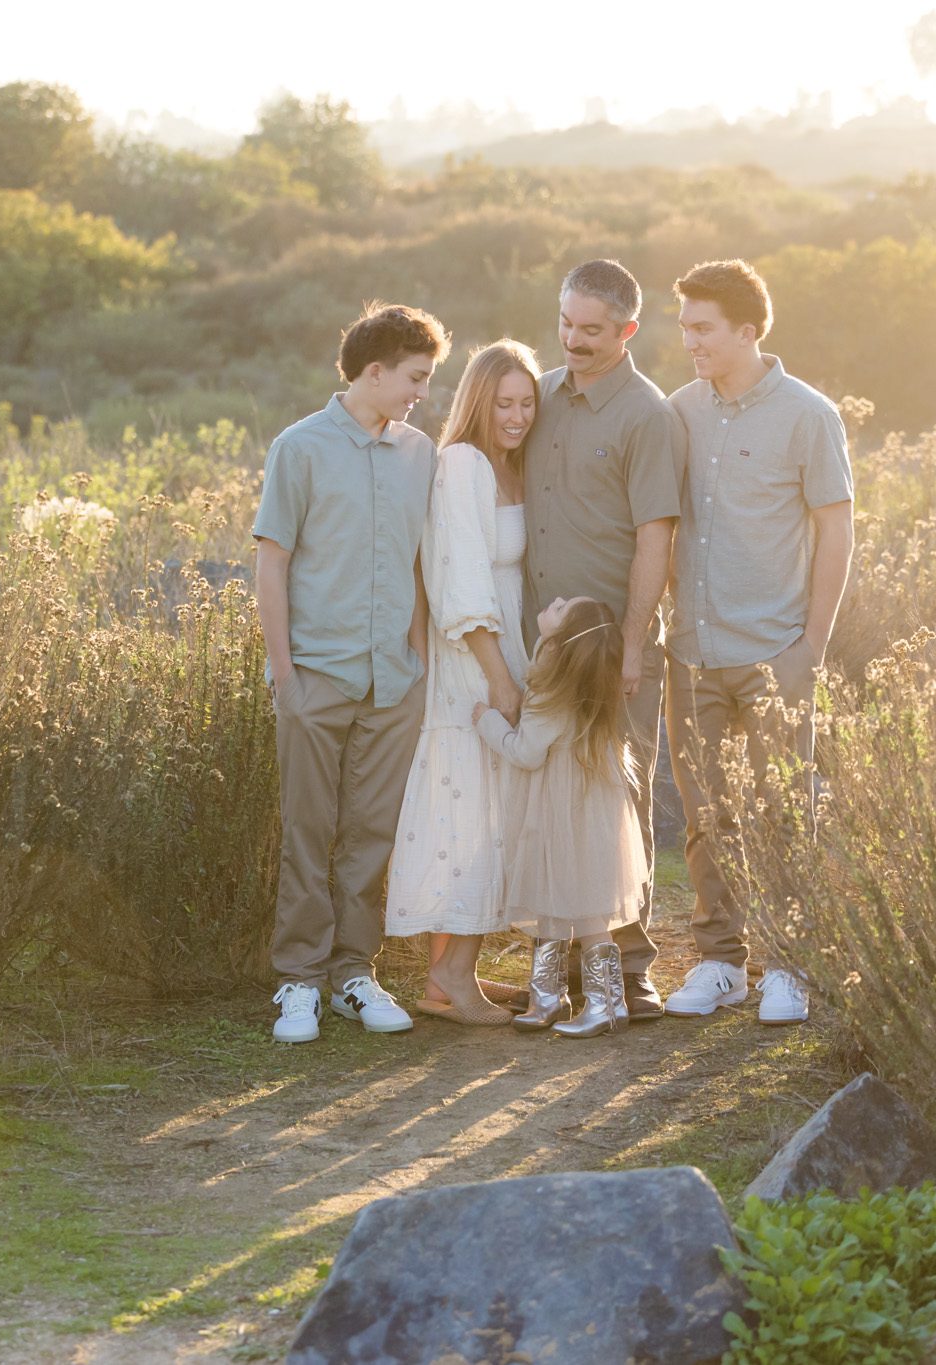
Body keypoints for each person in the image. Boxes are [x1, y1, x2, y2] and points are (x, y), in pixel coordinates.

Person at [659, 259, 854, 1026]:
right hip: (693, 651)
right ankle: (719, 963)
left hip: (776, 652)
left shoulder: (809, 415)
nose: (689, 341)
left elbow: (836, 528)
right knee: (707, 817)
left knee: (782, 813)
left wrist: (811, 644)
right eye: (684, 327)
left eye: (702, 328)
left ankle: (789, 964)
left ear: (748, 330)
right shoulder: (679, 409)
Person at [253, 301, 452, 1044]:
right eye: (415, 377)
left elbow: (422, 566)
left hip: (394, 684)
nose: (421, 392)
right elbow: (271, 566)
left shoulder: (420, 453)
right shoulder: (298, 448)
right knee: (309, 831)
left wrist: (424, 664)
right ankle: (298, 980)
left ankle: (353, 974)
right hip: (317, 678)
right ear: (375, 371)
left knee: (372, 835)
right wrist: (286, 680)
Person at [521, 259, 684, 1020]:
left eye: (591, 329)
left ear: (627, 330)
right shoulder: (540, 397)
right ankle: (556, 961)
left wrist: (633, 640)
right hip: (546, 644)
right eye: (565, 324)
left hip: (612, 648)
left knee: (622, 797)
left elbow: (657, 538)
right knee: (551, 795)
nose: (573, 340)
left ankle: (630, 965)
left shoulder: (647, 415)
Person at [386, 339, 543, 1026]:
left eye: (527, 402)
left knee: (485, 811)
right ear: (479, 401)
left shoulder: (510, 467)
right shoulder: (462, 464)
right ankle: (452, 970)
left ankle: (448, 977)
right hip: (472, 659)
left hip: (503, 645)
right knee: (473, 811)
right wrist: (500, 679)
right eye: (503, 402)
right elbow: (460, 584)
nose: (516, 415)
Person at [473, 595, 649, 1038]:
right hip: (585, 810)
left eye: (563, 607)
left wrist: (487, 722)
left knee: (587, 911)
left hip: (560, 812)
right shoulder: (581, 682)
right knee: (561, 899)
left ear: (563, 639)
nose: (554, 600)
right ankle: (547, 997)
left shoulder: (551, 691)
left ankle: (606, 1004)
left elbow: (526, 753)